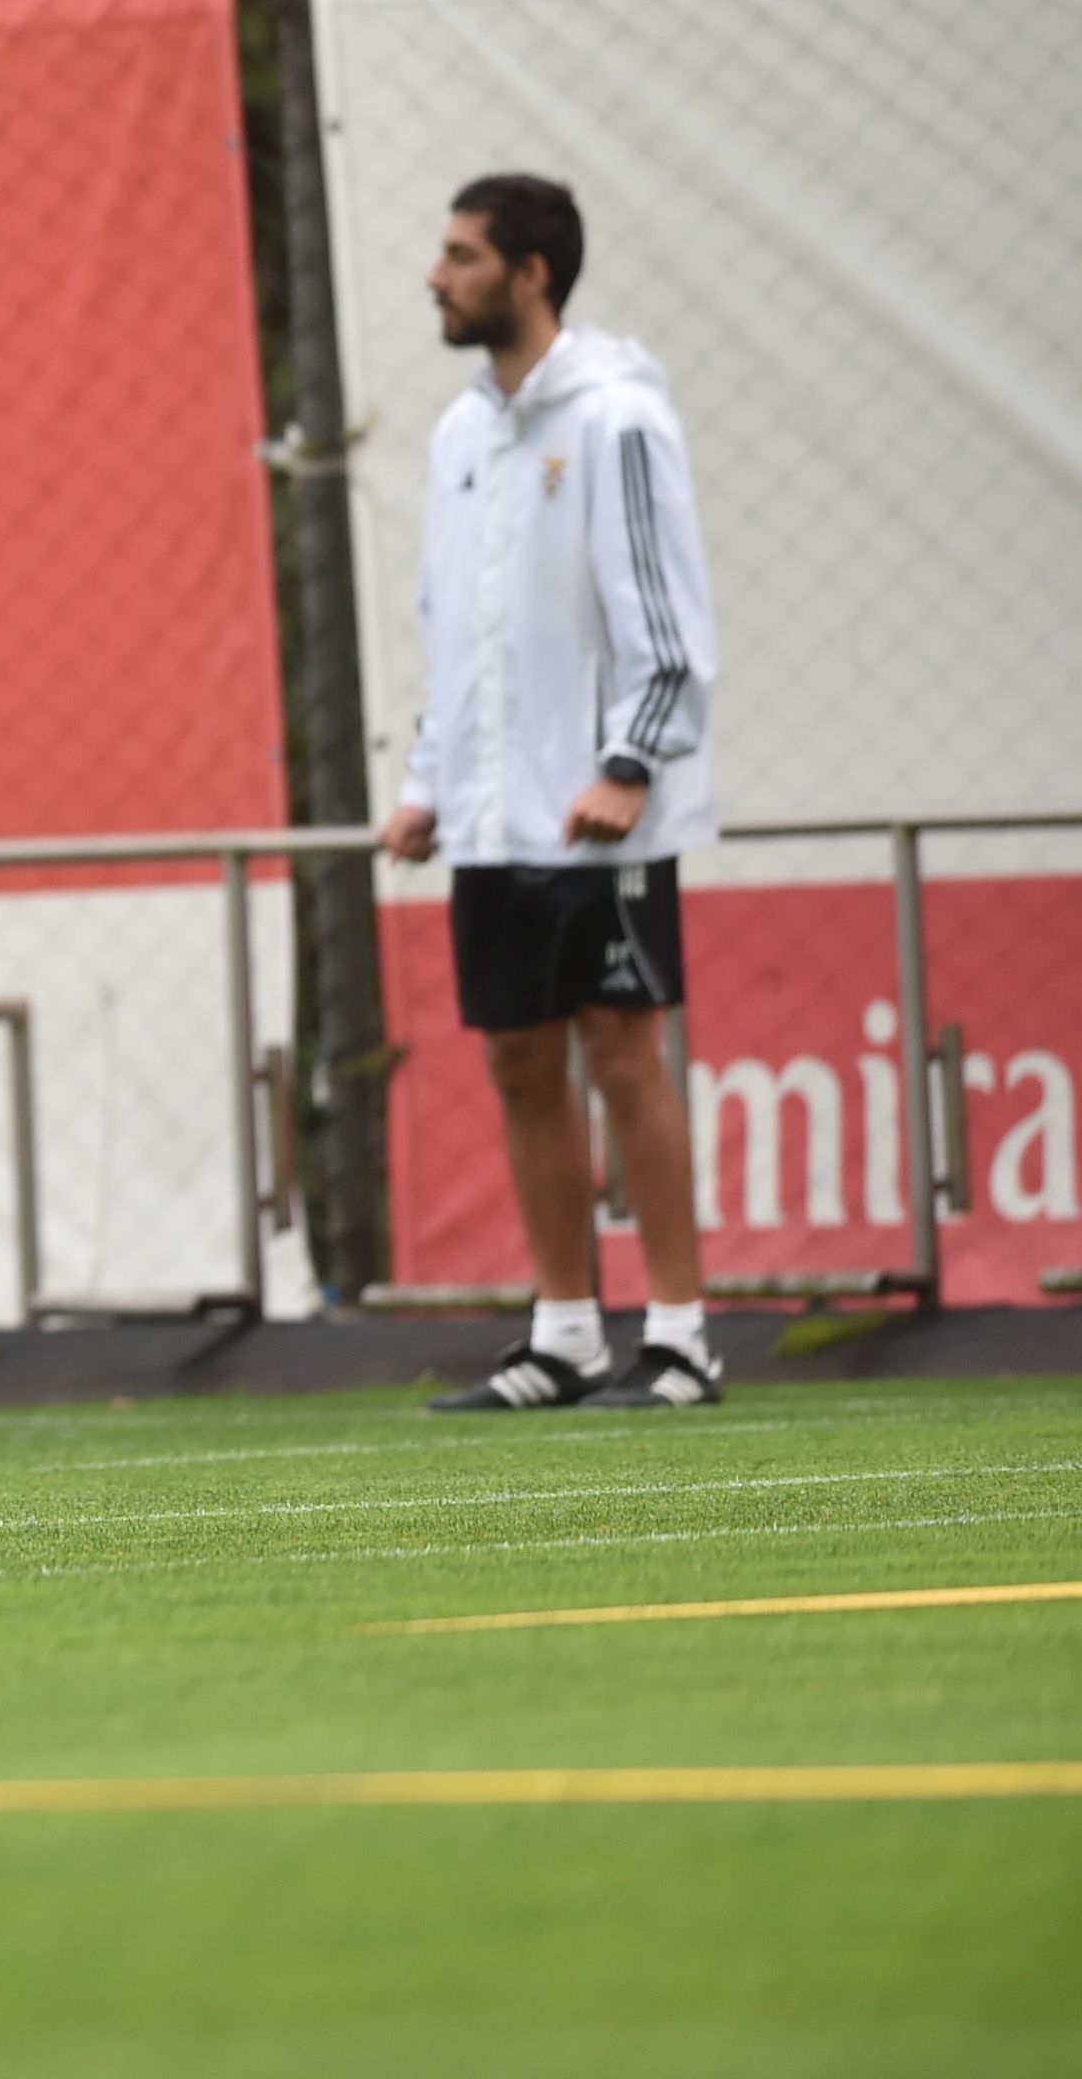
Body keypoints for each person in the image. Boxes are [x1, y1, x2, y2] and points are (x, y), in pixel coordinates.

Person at [383, 172, 726, 1410]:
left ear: (529, 274)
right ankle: (565, 1331)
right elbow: (453, 631)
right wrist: (428, 784)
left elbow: (662, 609)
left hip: (600, 810)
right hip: (490, 818)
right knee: (519, 1063)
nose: (436, 276)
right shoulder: (458, 435)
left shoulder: (618, 418)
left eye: (461, 255)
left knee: (621, 1055)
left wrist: (628, 763)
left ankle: (680, 1332)